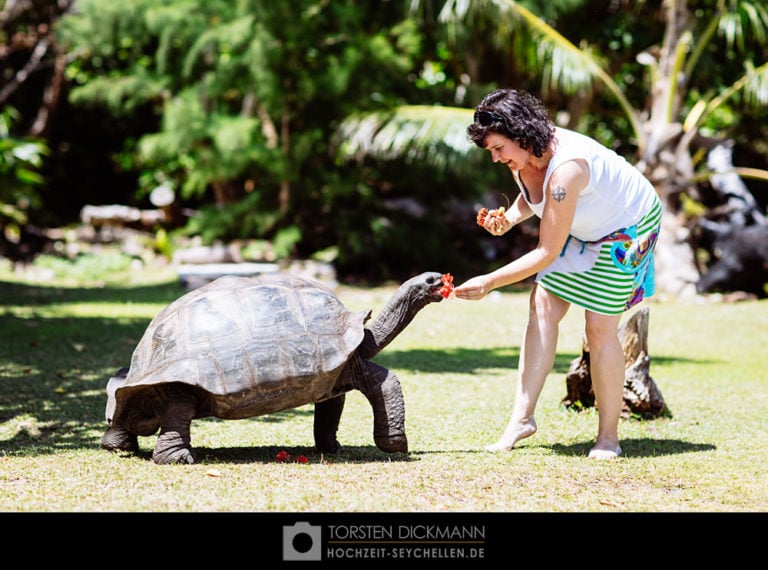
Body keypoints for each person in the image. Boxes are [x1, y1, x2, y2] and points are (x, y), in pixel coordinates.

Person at [453, 89, 662, 459]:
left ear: (521, 135)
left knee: (598, 328)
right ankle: (522, 419)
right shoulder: (525, 156)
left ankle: (608, 438)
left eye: (498, 148)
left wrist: (488, 281)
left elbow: (547, 250)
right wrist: (511, 218)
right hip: (584, 225)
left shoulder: (567, 170)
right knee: (543, 305)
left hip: (628, 227)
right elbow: (536, 197)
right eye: (490, 151)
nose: (496, 158)